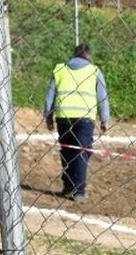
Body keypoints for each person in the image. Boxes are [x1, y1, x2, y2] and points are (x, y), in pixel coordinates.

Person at [45, 42, 111, 201]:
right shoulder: (94, 71)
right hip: (84, 117)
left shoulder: (60, 69)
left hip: (63, 117)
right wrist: (105, 119)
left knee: (67, 150)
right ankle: (79, 191)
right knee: (82, 151)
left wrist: (48, 115)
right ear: (89, 56)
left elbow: (50, 94)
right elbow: (102, 96)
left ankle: (68, 185)